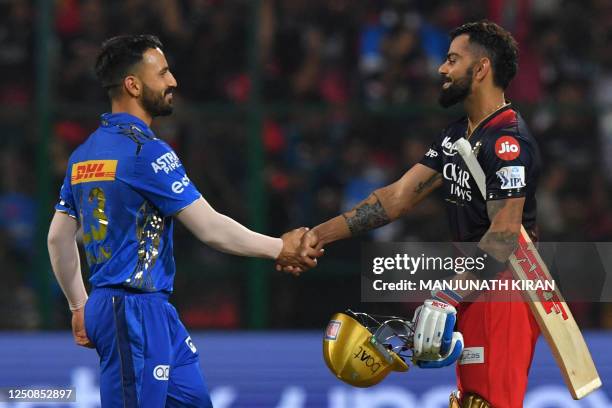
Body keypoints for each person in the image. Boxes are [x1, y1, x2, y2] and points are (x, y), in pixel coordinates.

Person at [47, 34, 314, 408]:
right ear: (133, 84)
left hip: (144, 311)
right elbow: (210, 228)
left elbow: (58, 238)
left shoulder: (83, 155)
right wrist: (280, 248)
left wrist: (79, 306)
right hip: (133, 313)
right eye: (163, 72)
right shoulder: (147, 152)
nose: (172, 81)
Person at [288, 21, 542, 408]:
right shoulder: (458, 135)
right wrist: (318, 236)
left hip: (505, 290)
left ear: (482, 68)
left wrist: (446, 296)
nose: (442, 69)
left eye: (453, 59)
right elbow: (396, 198)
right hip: (474, 285)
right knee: (471, 401)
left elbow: (505, 235)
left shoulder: (507, 141)